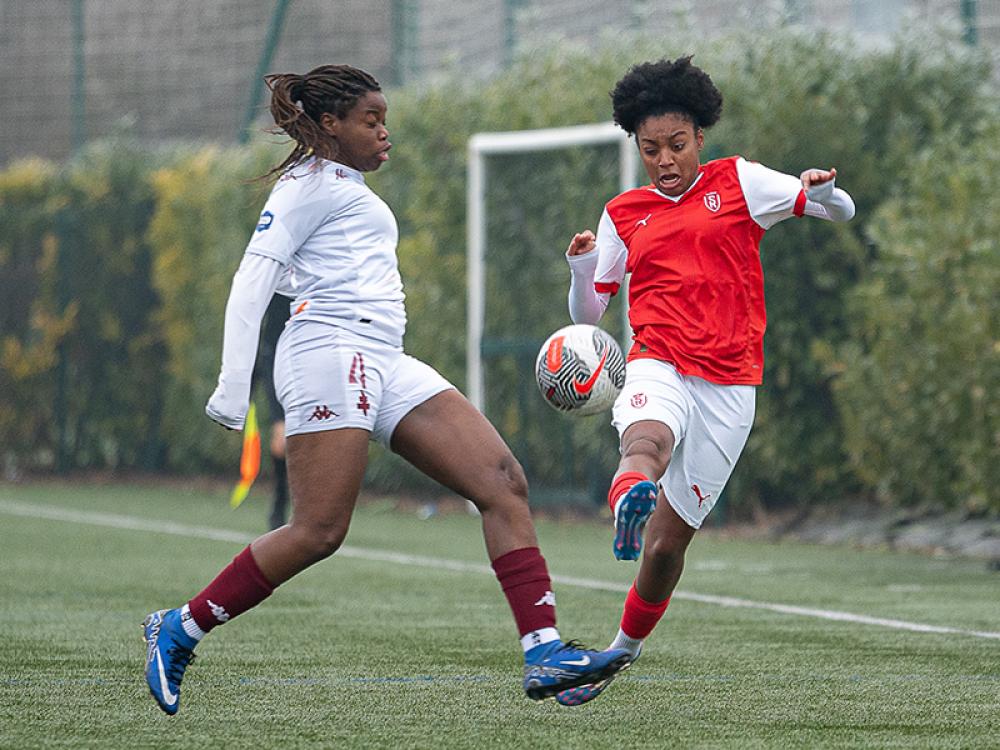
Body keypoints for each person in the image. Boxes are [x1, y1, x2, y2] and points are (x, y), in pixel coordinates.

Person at [141, 64, 632, 716]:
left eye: (385, 119)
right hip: (326, 351)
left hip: (383, 356)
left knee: (503, 480)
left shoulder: (346, 186)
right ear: (329, 125)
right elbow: (252, 279)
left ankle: (544, 653)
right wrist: (233, 388)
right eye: (371, 120)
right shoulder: (305, 184)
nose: (385, 133)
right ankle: (181, 627)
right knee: (319, 530)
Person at [553, 57, 855, 706]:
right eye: (650, 148)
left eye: (677, 145)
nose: (665, 160)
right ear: (636, 145)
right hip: (657, 360)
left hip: (729, 386)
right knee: (645, 443)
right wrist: (582, 270)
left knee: (665, 551)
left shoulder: (740, 182)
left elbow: (841, 211)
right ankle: (628, 498)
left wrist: (821, 190)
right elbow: (589, 316)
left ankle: (617, 654)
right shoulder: (622, 213)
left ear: (700, 138)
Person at [253, 293, 292, 530]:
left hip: (310, 357)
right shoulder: (273, 265)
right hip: (275, 357)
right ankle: (280, 503)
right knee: (281, 440)